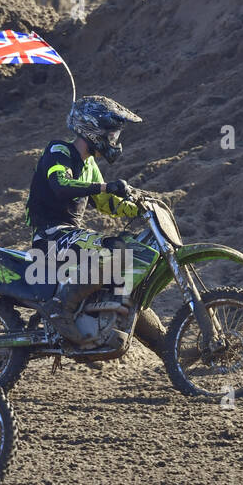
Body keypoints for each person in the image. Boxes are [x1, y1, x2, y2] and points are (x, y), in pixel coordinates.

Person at [25, 96, 144, 345]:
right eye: (112, 135)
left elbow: (107, 203)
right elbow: (61, 184)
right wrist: (105, 186)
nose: (114, 141)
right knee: (117, 251)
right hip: (50, 235)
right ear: (93, 129)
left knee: (129, 253)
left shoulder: (89, 164)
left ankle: (163, 342)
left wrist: (142, 207)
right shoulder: (59, 151)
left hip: (68, 237)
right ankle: (60, 308)